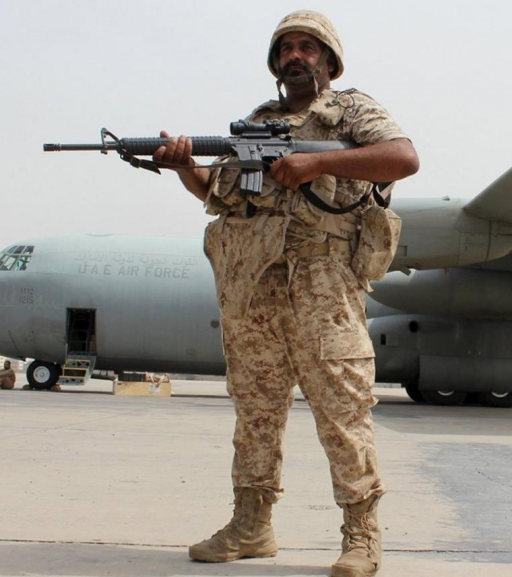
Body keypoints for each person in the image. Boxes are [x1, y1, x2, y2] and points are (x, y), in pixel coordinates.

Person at [153, 11, 419, 577]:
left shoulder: (351, 110)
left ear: (329, 59)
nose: (294, 56)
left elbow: (403, 157)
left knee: (343, 409)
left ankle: (361, 535)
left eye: (307, 47)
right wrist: (184, 166)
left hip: (324, 283)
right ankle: (251, 526)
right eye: (285, 48)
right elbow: (221, 195)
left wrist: (316, 161)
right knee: (255, 411)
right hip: (255, 287)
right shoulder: (255, 123)